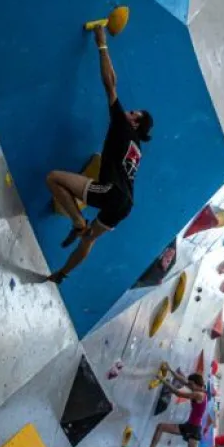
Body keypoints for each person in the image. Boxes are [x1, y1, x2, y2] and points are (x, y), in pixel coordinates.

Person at [42, 26, 154, 284]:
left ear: (135, 123)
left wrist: (102, 44)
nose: (129, 112)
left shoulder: (124, 126)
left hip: (113, 193)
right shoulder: (136, 148)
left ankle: (78, 222)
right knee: (91, 239)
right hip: (125, 204)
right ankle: (63, 274)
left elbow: (110, 83)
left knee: (53, 178)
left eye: (134, 113)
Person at [138, 371, 206, 447]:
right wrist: (169, 369)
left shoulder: (199, 395)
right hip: (188, 425)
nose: (189, 386)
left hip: (194, 430)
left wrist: (162, 380)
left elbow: (177, 393)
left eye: (191, 384)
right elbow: (183, 380)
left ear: (196, 384)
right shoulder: (198, 390)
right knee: (161, 426)